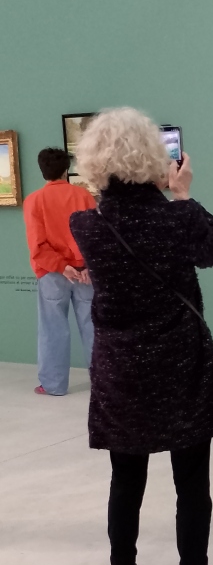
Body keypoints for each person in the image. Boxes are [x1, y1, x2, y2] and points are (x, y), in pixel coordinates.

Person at [69, 107, 213, 565]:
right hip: (180, 363)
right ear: (152, 157)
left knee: (126, 482)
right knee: (192, 484)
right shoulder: (175, 218)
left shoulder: (87, 225)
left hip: (120, 368)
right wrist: (183, 195)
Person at [23, 147, 96, 396]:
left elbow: (37, 245)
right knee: (94, 327)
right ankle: (103, 383)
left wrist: (61, 266)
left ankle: (53, 385)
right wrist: (87, 265)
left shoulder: (34, 201)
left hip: (52, 274)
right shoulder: (83, 196)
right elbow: (94, 236)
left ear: (42, 170)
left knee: (52, 328)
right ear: (67, 170)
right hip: (85, 273)